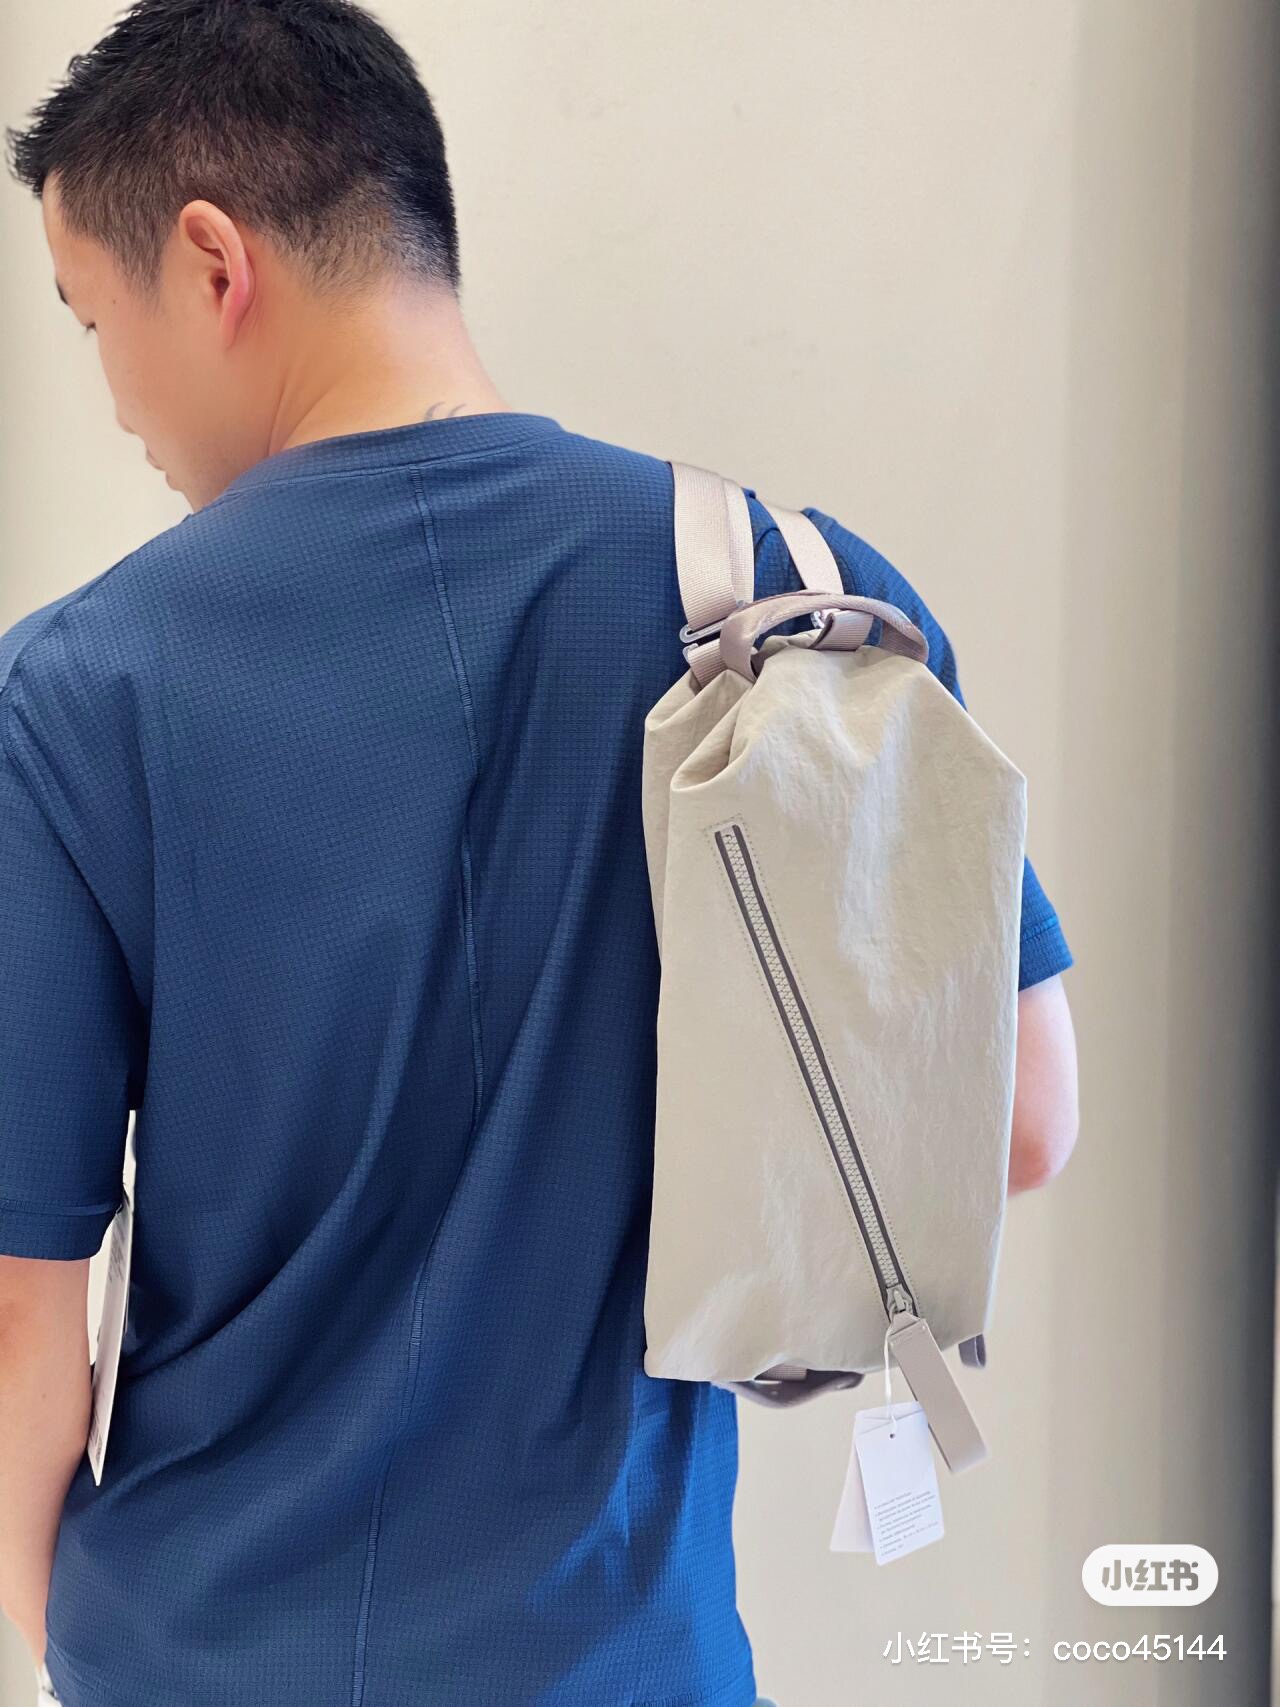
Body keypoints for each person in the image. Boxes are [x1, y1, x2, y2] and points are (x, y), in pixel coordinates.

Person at [0, 3, 1080, 1704]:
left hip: (201, 1651)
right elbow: (1021, 1118)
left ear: (210, 264)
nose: (115, 395)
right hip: (618, 1656)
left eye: (91, 316)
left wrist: (62, 1631)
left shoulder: (73, 691)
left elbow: (26, 1291)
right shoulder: (794, 603)